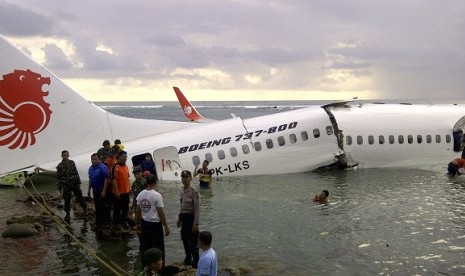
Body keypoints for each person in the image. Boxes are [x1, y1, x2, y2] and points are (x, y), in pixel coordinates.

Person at [135, 175, 170, 267]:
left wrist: (137, 223)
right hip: (155, 225)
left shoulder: (140, 194)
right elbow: (161, 212)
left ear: (147, 182)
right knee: (158, 249)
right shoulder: (157, 195)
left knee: (145, 248)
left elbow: (138, 211)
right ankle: (160, 269)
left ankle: (145, 268)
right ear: (155, 183)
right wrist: (166, 226)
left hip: (144, 224)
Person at [177, 170, 200, 268]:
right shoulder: (182, 190)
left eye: (186, 177)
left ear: (190, 178)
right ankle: (188, 259)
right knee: (184, 239)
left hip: (191, 218)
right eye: (183, 177)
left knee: (193, 242)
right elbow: (182, 206)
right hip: (184, 218)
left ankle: (196, 263)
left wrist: (196, 224)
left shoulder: (194, 191)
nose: (184, 179)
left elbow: (197, 209)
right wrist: (179, 219)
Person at [56, 150, 87, 221]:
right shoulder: (59, 166)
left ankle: (85, 209)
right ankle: (67, 214)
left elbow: (76, 172)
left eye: (67, 155)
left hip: (74, 184)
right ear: (61, 156)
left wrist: (78, 183)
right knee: (67, 200)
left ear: (68, 156)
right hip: (66, 185)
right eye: (64, 155)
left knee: (80, 197)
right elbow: (59, 178)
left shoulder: (72, 162)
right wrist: (59, 187)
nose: (65, 156)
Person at [87, 153, 110, 233]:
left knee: (104, 207)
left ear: (99, 159)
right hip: (95, 190)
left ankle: (106, 223)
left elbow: (106, 180)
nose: (93, 161)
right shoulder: (90, 168)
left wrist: (104, 191)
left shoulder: (103, 167)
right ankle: (99, 223)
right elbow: (90, 179)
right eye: (92, 159)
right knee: (97, 207)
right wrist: (88, 190)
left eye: (95, 159)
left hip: (102, 190)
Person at [111, 150, 131, 230]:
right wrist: (117, 192)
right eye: (123, 157)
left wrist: (129, 188)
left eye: (126, 157)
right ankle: (116, 223)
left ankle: (123, 221)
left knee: (125, 208)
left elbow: (128, 178)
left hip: (126, 191)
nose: (125, 158)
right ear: (119, 157)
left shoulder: (126, 167)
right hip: (118, 192)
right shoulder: (115, 166)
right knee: (117, 208)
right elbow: (114, 179)